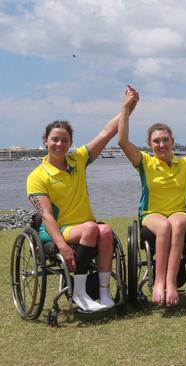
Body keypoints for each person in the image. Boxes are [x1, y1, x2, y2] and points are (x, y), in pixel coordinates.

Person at [26, 89, 129, 312]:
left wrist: (127, 106)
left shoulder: (78, 160)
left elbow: (106, 133)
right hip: (54, 229)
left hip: (85, 228)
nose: (60, 144)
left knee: (106, 230)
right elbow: (45, 216)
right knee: (92, 228)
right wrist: (62, 246)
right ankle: (78, 293)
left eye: (65, 140)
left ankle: (102, 291)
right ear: (45, 141)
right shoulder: (37, 176)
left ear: (71, 142)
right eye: (55, 139)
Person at [118, 88, 186, 306]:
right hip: (151, 215)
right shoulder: (145, 163)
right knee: (164, 226)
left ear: (173, 141)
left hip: (180, 213)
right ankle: (159, 283)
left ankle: (172, 283)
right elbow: (122, 141)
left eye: (165, 140)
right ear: (149, 144)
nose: (162, 145)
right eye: (156, 141)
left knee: (175, 223)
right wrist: (126, 108)